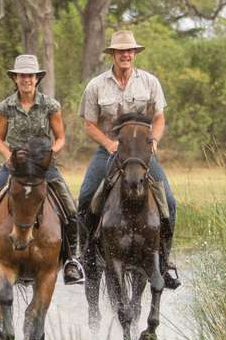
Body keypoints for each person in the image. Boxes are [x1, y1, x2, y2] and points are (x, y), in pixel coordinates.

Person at [0, 54, 84, 285]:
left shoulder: (50, 105)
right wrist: (8, 157)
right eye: (22, 76)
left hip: (43, 167)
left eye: (30, 76)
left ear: (37, 79)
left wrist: (50, 154)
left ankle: (71, 261)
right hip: (15, 167)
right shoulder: (5, 106)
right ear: (15, 79)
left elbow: (61, 138)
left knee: (70, 208)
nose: (26, 79)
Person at [77, 31, 181, 289]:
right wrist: (109, 143)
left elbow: (159, 118)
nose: (126, 55)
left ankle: (164, 263)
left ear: (135, 54)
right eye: (121, 51)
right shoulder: (96, 85)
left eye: (130, 51)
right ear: (112, 54)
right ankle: (85, 256)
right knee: (86, 196)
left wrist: (154, 142)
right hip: (109, 152)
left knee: (169, 201)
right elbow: (89, 125)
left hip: (141, 154)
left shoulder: (149, 82)